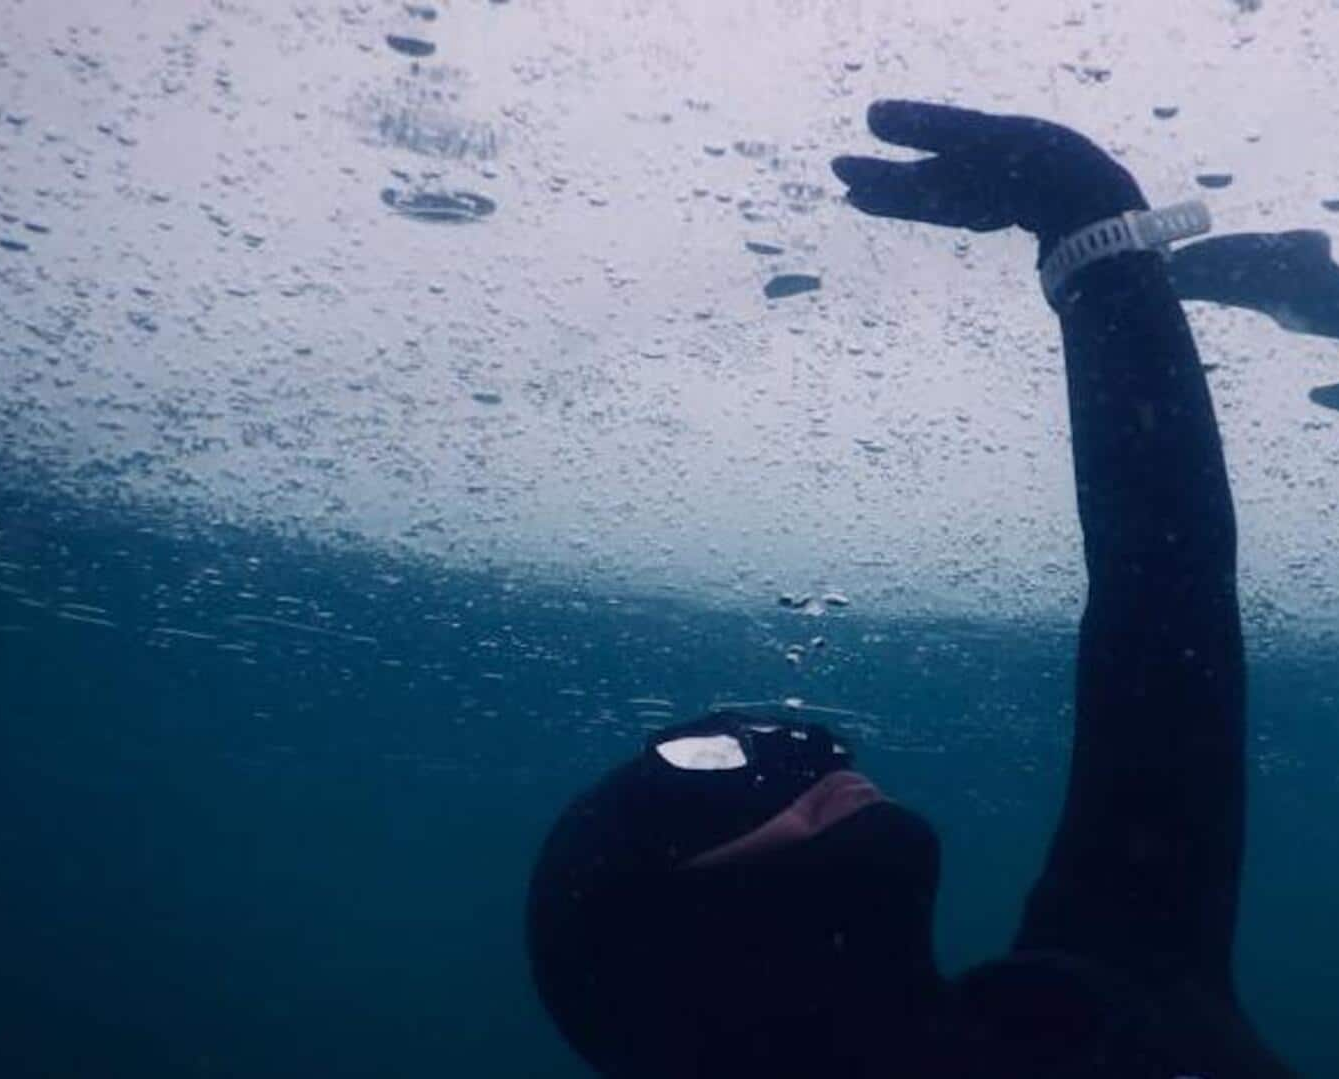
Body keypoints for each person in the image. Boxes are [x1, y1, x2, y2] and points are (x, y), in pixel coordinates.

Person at [526, 99, 1294, 1078]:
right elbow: (1166, 589)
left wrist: (1093, 231)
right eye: (712, 776)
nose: (812, 752)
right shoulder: (1123, 984)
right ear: (654, 948)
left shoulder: (1094, 993)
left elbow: (1163, 588)